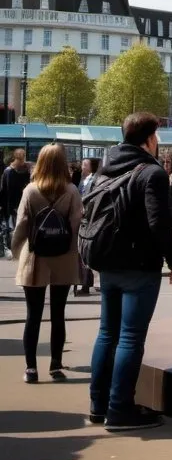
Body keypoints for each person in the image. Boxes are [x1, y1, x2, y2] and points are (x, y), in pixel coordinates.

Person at [87, 112, 172, 431]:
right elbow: (159, 223)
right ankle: (119, 410)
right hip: (138, 266)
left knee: (107, 334)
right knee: (129, 338)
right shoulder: (151, 173)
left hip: (106, 263)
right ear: (150, 139)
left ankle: (98, 405)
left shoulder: (107, 167)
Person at [11, 143, 83, 383]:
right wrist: (72, 253)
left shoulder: (30, 191)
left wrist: (16, 250)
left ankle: (31, 368)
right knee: (58, 314)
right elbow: (75, 226)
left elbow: (21, 225)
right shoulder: (72, 191)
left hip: (36, 257)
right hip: (62, 256)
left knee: (33, 315)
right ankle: (55, 365)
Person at [75, 158, 101, 296]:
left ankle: (90, 283)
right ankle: (86, 283)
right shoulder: (83, 179)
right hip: (83, 219)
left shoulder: (94, 180)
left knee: (86, 251)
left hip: (88, 220)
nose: (82, 167)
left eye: (85, 165)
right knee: (83, 252)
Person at [1, 148, 31, 248]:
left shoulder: (22, 170)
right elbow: (8, 191)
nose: (23, 161)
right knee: (13, 228)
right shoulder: (10, 172)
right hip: (13, 206)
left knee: (16, 228)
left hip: (17, 205)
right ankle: (13, 247)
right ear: (17, 159)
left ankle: (15, 246)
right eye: (22, 159)